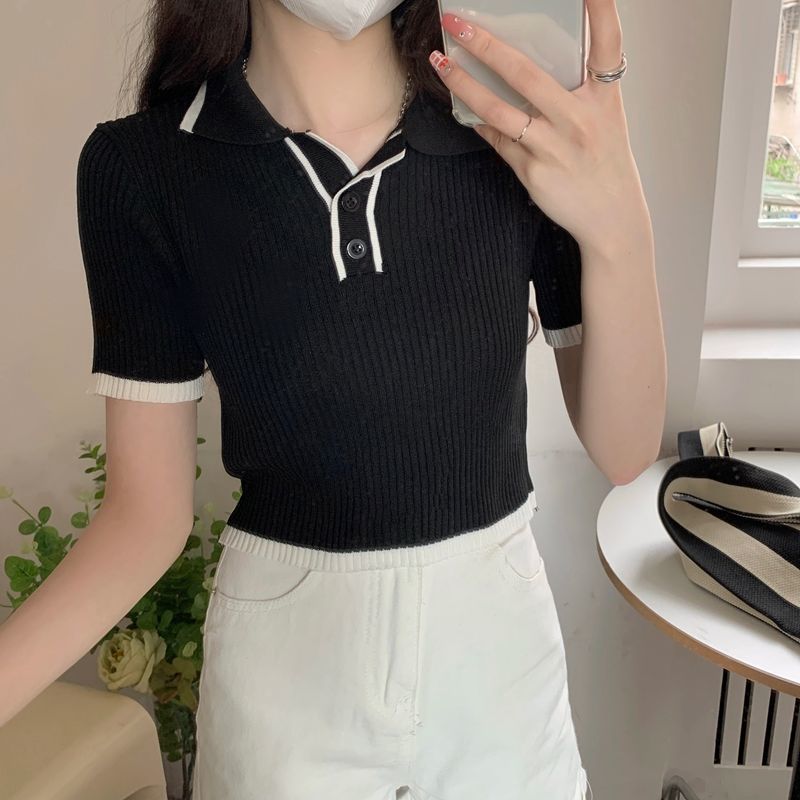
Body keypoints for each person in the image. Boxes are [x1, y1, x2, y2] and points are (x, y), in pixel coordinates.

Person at [0, 0, 666, 798]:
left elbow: (625, 449)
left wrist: (620, 226)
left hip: (501, 677)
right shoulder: (144, 166)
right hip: (285, 688)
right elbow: (145, 517)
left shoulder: (514, 125)